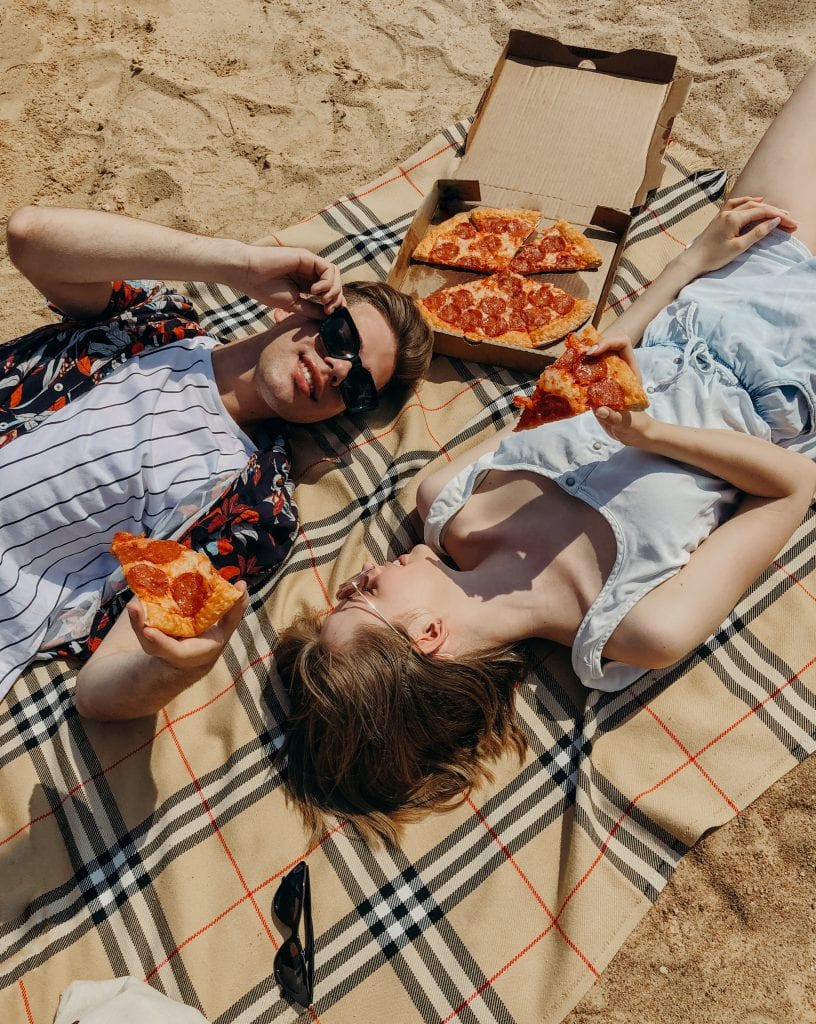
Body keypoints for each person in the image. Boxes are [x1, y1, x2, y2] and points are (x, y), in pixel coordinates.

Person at [273, 63, 816, 844]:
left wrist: (692, 260)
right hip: (797, 377)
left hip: (721, 289)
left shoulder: (447, 499)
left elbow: (583, 372)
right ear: (427, 636)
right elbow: (794, 486)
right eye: (359, 600)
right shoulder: (635, 629)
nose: (355, 578)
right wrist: (651, 437)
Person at [0, 206, 433, 707]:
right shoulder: (155, 323)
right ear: (295, 308)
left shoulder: (253, 506)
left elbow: (99, 692)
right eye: (341, 337)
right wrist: (239, 265)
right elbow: (30, 237)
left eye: (357, 385)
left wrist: (176, 668)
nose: (338, 369)